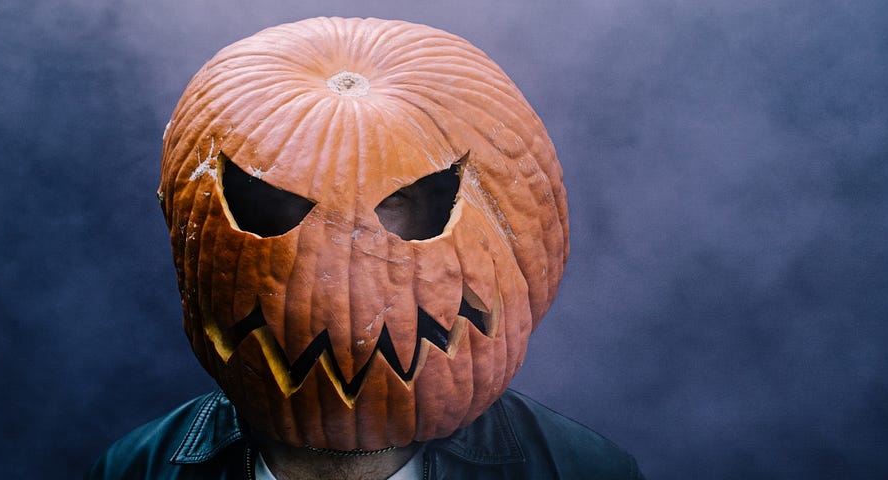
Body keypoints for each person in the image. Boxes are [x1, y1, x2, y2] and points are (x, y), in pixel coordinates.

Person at [91, 17, 640, 479]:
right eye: (277, 206)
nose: (340, 273)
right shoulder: (133, 469)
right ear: (191, 246)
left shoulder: (585, 471)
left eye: (406, 203)